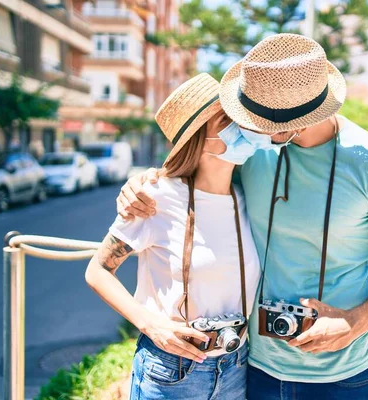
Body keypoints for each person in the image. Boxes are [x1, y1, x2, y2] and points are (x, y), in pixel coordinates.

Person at [117, 34, 368, 399]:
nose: (244, 126)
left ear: (293, 122)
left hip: (347, 378)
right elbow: (192, 173)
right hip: (256, 371)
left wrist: (354, 322)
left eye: (253, 118)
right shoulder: (252, 151)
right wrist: (142, 182)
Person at [85, 74, 263, 399]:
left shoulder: (246, 194)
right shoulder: (157, 196)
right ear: (201, 140)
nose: (242, 126)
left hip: (235, 365)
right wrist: (150, 325)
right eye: (227, 120)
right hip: (171, 371)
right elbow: (97, 271)